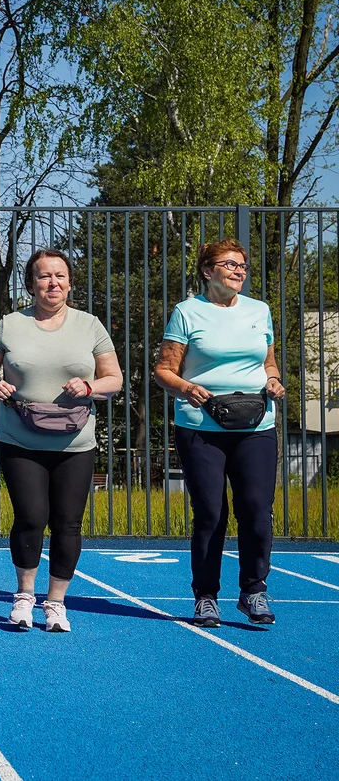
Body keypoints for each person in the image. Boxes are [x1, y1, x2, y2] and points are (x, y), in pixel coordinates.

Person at [0, 249, 122, 633]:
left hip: (75, 442)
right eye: (44, 276)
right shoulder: (10, 325)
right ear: (31, 284)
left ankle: (56, 603)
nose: (53, 283)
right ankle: (24, 596)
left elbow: (114, 379)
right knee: (31, 517)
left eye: (60, 276)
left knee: (67, 523)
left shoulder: (90, 326)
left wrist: (89, 386)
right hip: (20, 439)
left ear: (70, 282)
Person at [153, 239, 285, 627]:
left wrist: (274, 381)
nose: (239, 271)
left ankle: (254, 591)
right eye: (229, 264)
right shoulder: (187, 313)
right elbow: (165, 370)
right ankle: (206, 597)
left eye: (243, 265)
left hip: (257, 425)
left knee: (257, 511)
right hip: (201, 427)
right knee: (211, 513)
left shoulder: (259, 311)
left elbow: (270, 363)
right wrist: (187, 388)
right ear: (208, 271)